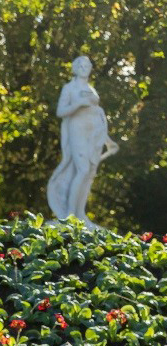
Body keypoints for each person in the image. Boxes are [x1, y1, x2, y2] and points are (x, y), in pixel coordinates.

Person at [47, 55, 119, 228]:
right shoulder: (69, 88)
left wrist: (108, 141)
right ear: (74, 68)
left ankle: (79, 213)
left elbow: (97, 116)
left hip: (93, 135)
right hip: (77, 130)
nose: (84, 67)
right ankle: (69, 216)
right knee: (83, 169)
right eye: (80, 64)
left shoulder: (92, 89)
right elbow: (61, 111)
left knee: (89, 173)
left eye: (87, 65)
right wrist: (78, 103)